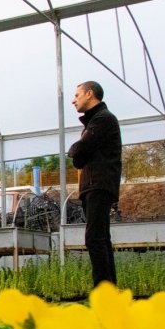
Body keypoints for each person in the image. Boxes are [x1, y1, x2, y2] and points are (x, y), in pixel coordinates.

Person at [68, 80, 121, 286]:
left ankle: (103, 290)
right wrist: (78, 151)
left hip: (99, 184)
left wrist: (76, 148)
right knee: (100, 238)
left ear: (90, 94)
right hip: (94, 185)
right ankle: (108, 290)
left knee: (95, 239)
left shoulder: (103, 119)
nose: (74, 100)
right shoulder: (94, 122)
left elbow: (79, 150)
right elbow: (79, 159)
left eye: (77, 95)